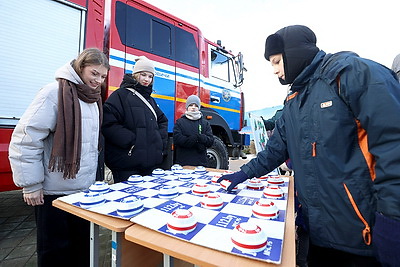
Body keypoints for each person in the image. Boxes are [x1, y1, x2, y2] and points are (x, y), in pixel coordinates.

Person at [218, 25, 400, 267]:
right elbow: (274, 150)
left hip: (361, 233)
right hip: (318, 232)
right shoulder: (293, 100)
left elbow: (393, 144)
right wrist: (243, 173)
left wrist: (392, 218)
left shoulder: (351, 74)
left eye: (276, 61)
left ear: (293, 54)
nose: (274, 71)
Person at [8, 48, 110, 267]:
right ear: (80, 67)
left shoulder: (92, 99)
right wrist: (31, 185)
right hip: (53, 193)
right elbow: (25, 139)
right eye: (94, 73)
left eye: (102, 76)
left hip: (83, 191)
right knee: (54, 252)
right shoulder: (53, 93)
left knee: (82, 249)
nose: (98, 80)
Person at [102, 56, 168, 182]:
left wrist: (159, 141)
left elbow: (163, 120)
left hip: (149, 166)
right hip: (126, 165)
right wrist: (132, 141)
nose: (147, 79)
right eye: (143, 75)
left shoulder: (151, 100)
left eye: (150, 76)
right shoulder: (120, 95)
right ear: (135, 74)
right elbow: (108, 123)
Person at [173, 94, 214, 167]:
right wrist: (192, 139)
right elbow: (177, 139)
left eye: (196, 106)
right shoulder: (180, 122)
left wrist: (201, 138)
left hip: (200, 164)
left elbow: (210, 141)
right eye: (191, 105)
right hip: (183, 164)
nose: (193, 108)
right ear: (187, 107)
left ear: (199, 107)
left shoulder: (205, 123)